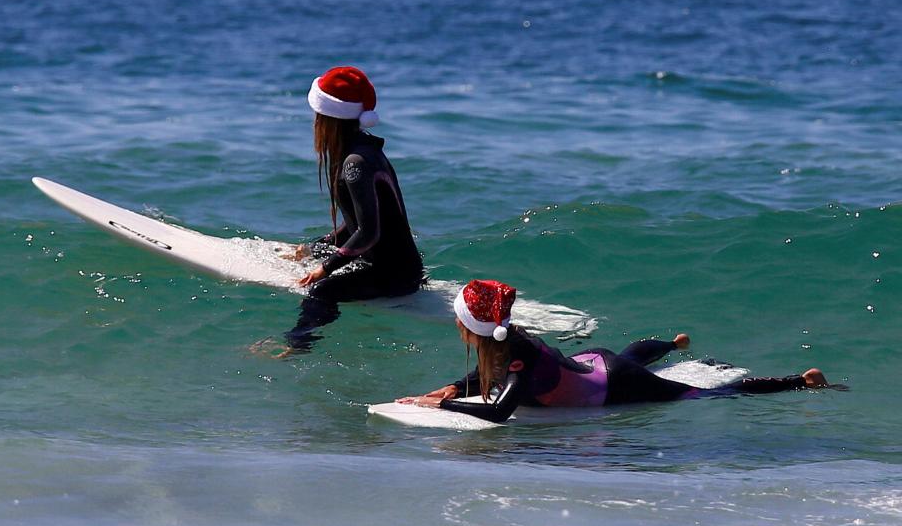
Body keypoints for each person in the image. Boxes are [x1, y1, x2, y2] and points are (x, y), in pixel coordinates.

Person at [398, 279, 829, 423]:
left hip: (610, 382)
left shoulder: (515, 356)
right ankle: (673, 343)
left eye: (458, 318)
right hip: (594, 362)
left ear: (471, 326)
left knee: (700, 394)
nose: (456, 324)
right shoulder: (507, 342)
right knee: (629, 354)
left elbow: (498, 414)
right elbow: (490, 380)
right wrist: (455, 388)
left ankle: (800, 380)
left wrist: (438, 408)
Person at [271, 66, 425, 355]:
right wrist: (316, 248)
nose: (315, 123)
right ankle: (311, 254)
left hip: (395, 275)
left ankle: (296, 345)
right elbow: (357, 223)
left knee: (322, 290)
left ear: (329, 119)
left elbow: (368, 232)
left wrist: (324, 269)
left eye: (317, 116)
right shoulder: (363, 151)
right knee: (316, 254)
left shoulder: (355, 163)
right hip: (398, 265)